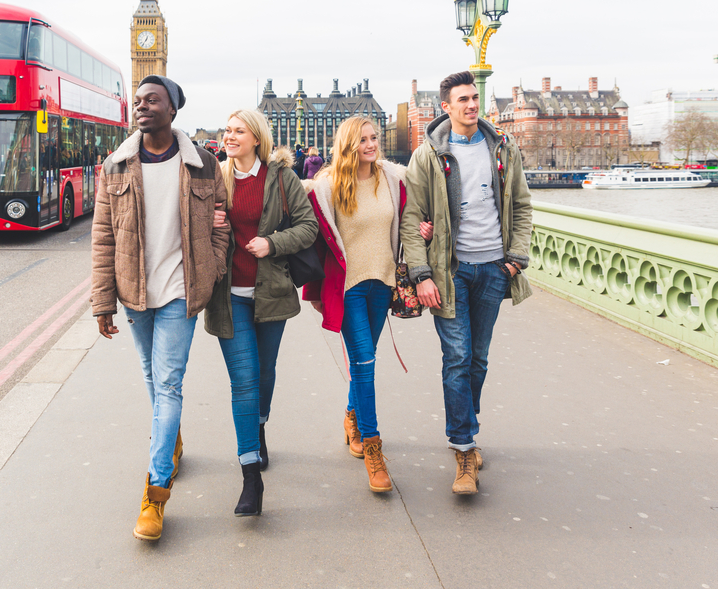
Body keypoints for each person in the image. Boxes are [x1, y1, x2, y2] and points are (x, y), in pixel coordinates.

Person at [91, 75, 230, 541]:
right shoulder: (115, 166)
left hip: (180, 293)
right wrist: (102, 301)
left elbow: (220, 227)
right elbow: (103, 237)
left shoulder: (204, 165)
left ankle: (155, 493)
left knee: (168, 384)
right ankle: (170, 442)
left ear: (173, 110)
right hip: (134, 293)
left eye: (153, 100)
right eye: (139, 100)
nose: (142, 106)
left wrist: (212, 269)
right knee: (153, 377)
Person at [399, 70, 533, 495]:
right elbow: (410, 218)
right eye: (463, 100)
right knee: (456, 358)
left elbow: (522, 206)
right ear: (446, 107)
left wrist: (514, 260)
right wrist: (421, 275)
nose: (472, 105)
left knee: (478, 358)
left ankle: (466, 426)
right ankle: (463, 449)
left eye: (475, 98)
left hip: (493, 268)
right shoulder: (428, 156)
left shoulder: (503, 149)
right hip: (450, 273)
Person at [204, 110, 318, 517]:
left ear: (257, 138)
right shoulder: (216, 177)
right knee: (244, 383)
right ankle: (251, 477)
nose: (229, 136)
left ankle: (260, 425)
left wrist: (272, 243)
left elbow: (309, 227)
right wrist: (208, 221)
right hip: (229, 295)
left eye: (238, 131)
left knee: (265, 375)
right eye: (227, 130)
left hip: (270, 293)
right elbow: (194, 228)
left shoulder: (282, 178)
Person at [301, 116, 407, 494]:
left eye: (374, 137)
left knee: (368, 359)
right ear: (348, 144)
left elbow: (415, 210)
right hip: (348, 287)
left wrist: (423, 229)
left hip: (383, 282)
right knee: (364, 362)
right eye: (363, 139)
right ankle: (373, 447)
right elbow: (312, 236)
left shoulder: (392, 178)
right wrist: (314, 292)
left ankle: (351, 415)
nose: (371, 144)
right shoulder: (327, 186)